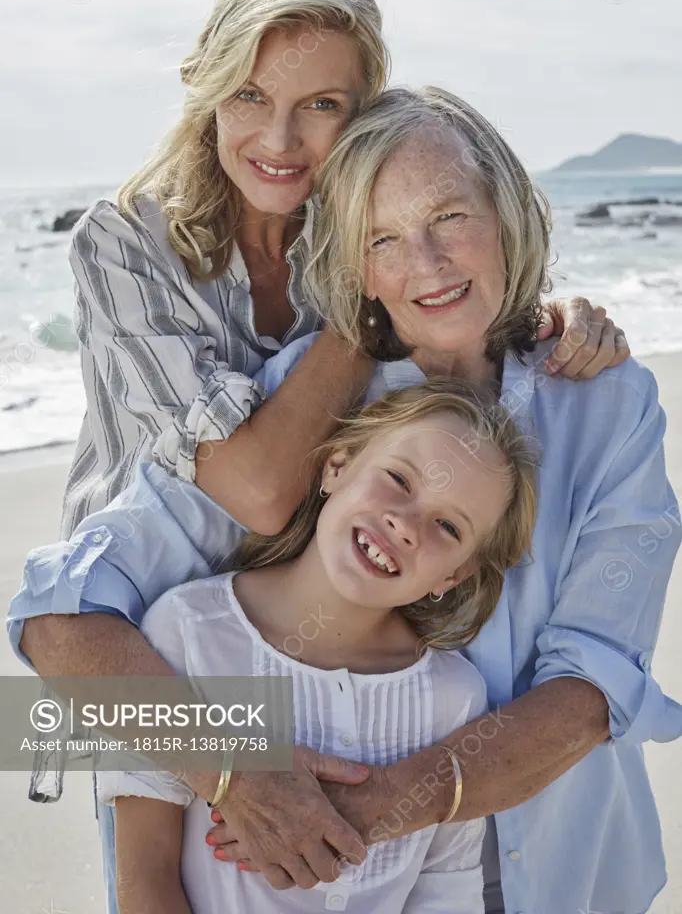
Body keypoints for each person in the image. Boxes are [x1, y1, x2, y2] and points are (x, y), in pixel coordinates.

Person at [10, 86, 680, 914]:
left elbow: (593, 689)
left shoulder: (610, 403)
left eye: (449, 218)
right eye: (384, 239)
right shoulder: (308, 400)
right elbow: (60, 618)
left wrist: (387, 804)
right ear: (352, 266)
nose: (426, 266)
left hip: (578, 876)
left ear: (505, 211)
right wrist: (233, 767)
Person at [97, 379, 538, 914]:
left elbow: (446, 889)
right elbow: (144, 875)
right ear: (337, 466)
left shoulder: (455, 696)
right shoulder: (189, 630)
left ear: (454, 575)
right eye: (398, 478)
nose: (405, 523)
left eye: (448, 525)